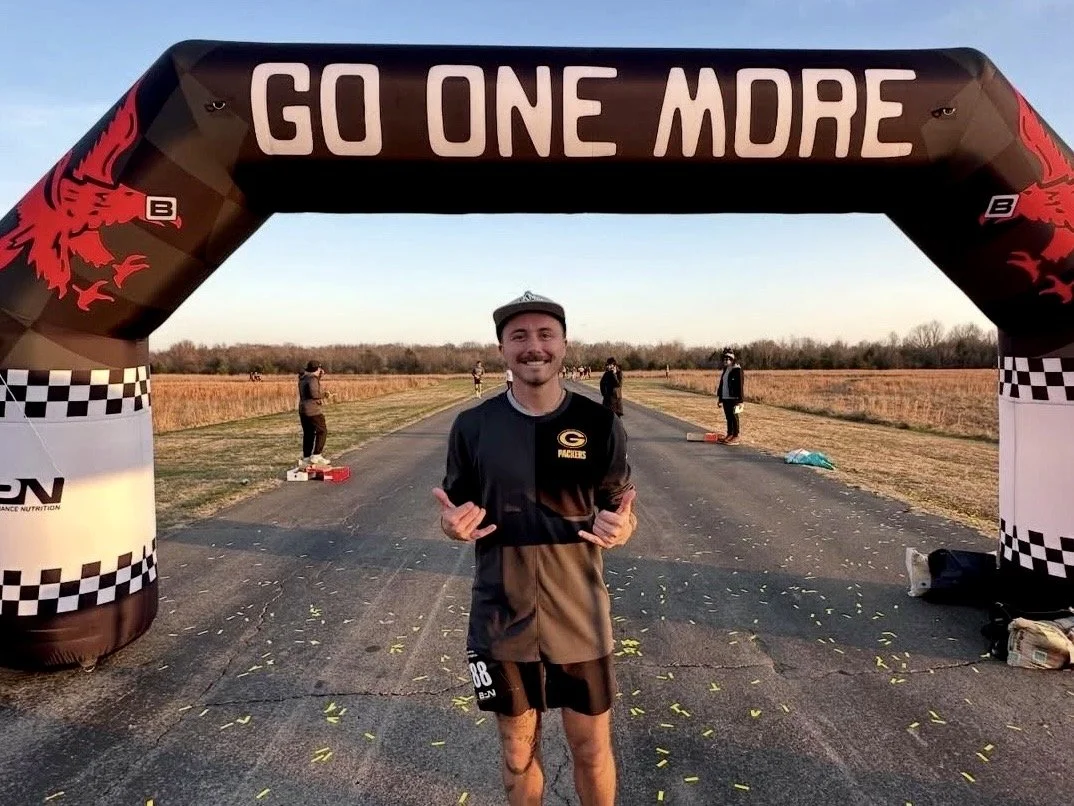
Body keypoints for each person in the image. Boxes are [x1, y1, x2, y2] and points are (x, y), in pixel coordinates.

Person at [432, 290, 637, 806]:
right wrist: (452, 527)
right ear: (501, 348)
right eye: (519, 336)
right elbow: (455, 512)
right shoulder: (473, 427)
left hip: (580, 614)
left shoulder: (599, 424)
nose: (534, 346)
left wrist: (623, 528)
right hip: (502, 615)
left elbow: (620, 510)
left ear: (564, 345)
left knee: (591, 750)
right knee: (516, 752)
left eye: (546, 334)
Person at [298, 360, 330, 467]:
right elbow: (314, 393)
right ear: (318, 369)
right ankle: (317, 455)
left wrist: (319, 377)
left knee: (308, 433)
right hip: (313, 410)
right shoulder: (312, 379)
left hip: (303, 410)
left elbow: (309, 389)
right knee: (322, 431)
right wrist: (324, 395)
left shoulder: (303, 378)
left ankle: (306, 457)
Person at [715, 348, 745, 445]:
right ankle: (729, 434)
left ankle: (736, 435)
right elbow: (722, 384)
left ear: (732, 359)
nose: (726, 360)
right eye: (725, 359)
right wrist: (720, 398)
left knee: (734, 416)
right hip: (725, 397)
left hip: (734, 399)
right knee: (728, 417)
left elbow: (740, 386)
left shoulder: (737, 369)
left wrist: (740, 401)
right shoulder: (725, 370)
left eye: (728, 359)